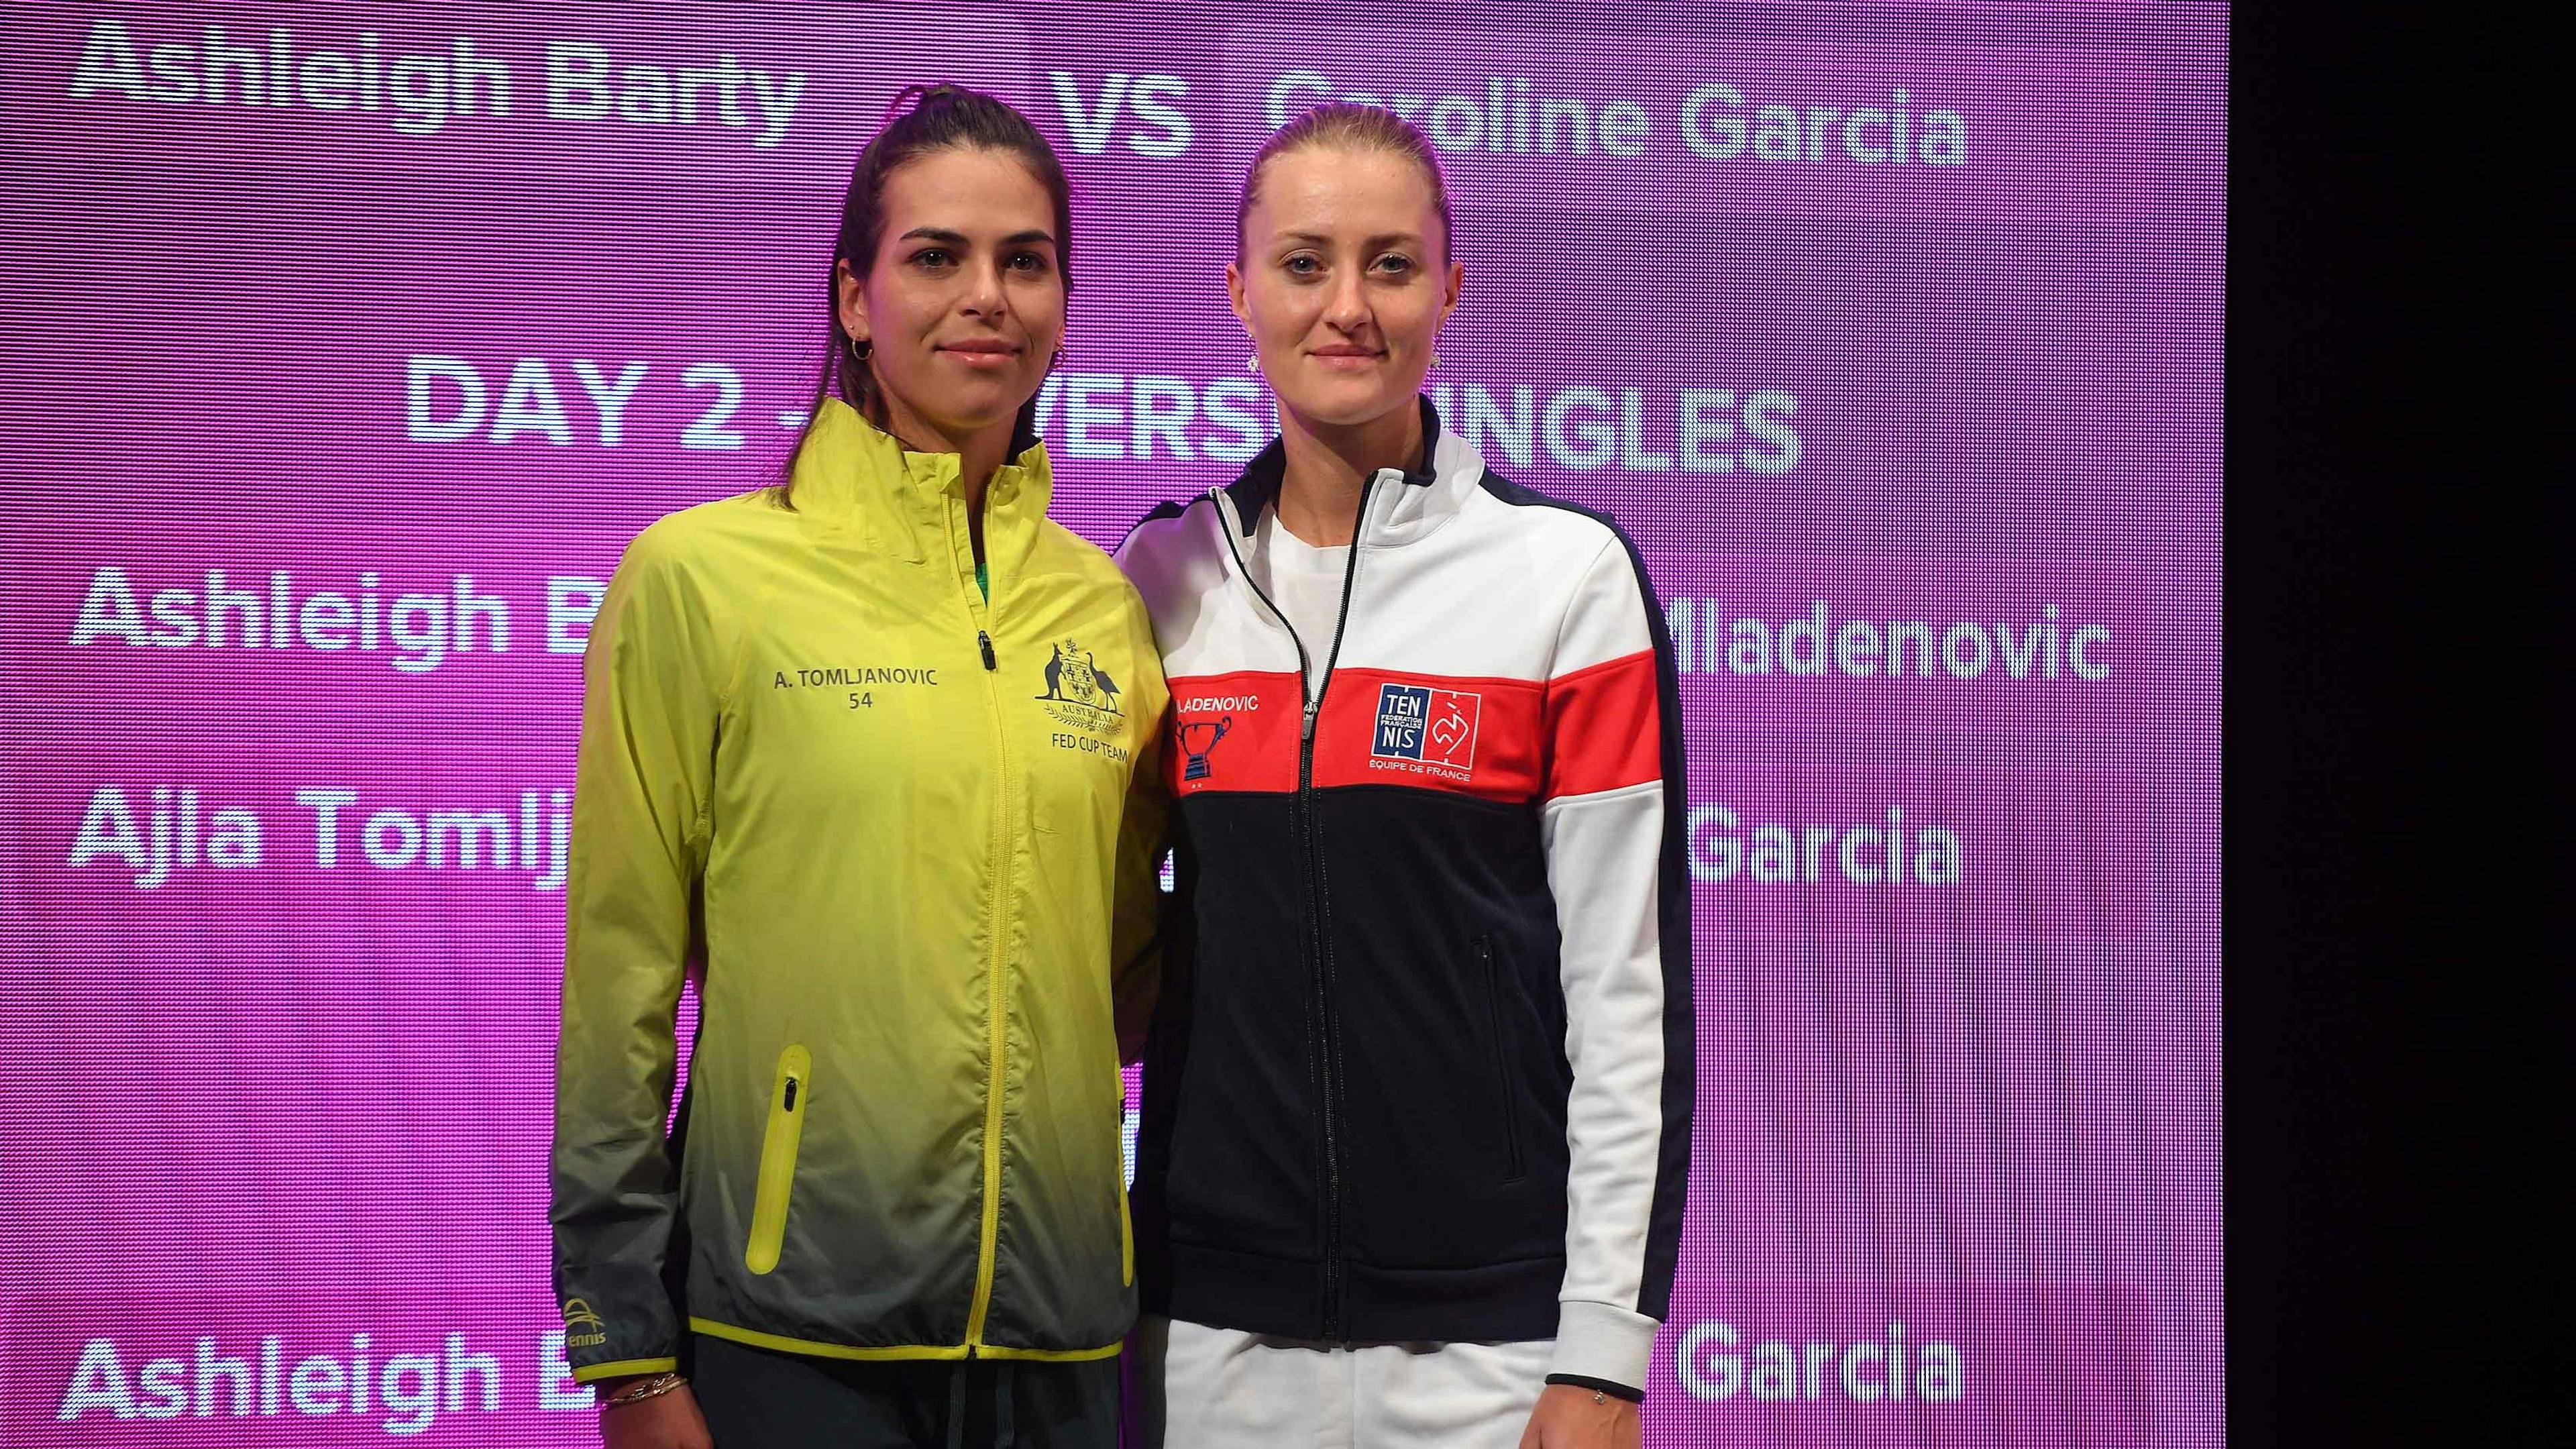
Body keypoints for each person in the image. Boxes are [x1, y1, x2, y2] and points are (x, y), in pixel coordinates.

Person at [550, 84, 1167, 1449]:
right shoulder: (703, 579)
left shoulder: (1107, 611)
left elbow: (1121, 986)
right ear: (853, 296)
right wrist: (628, 1359)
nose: (986, 295)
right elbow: (619, 990)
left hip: (1065, 1343)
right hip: (784, 1337)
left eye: (1026, 260)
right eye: (936, 256)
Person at [1115, 103, 1694, 1449]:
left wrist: (1603, 1358)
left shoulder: (1566, 576)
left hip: (1491, 1350)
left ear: (1452, 288)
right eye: (1305, 262)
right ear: (1239, 289)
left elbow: (1627, 997)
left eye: (1392, 263)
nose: (1348, 307)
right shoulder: (1161, 581)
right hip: (1205, 1336)